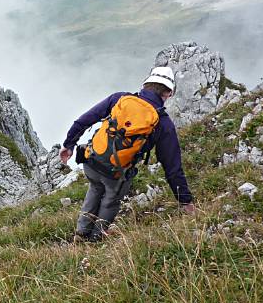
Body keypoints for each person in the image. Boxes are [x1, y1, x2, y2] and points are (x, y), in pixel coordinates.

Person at [59, 66, 195, 242]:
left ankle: (81, 233)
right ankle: (95, 239)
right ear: (168, 93)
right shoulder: (163, 123)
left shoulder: (120, 98)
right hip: (116, 173)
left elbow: (84, 120)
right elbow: (172, 167)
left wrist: (69, 145)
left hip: (91, 161)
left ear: (145, 85)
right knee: (110, 199)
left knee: (95, 188)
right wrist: (185, 201)